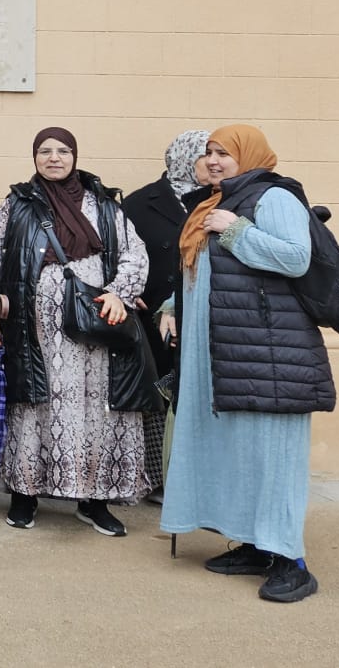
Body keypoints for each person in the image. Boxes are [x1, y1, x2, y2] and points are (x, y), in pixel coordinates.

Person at [160, 125, 329, 604]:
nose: (214, 160)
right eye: (210, 152)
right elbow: (205, 272)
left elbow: (296, 258)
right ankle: (257, 546)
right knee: (242, 453)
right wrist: (174, 306)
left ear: (249, 156)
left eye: (225, 153)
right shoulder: (214, 203)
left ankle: (292, 563)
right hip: (229, 351)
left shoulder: (274, 197)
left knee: (274, 458)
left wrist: (235, 230)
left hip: (269, 354)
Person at [0, 128, 151, 536]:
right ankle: (25, 495)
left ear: (75, 156)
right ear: (34, 157)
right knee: (34, 404)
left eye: (63, 151)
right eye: (45, 151)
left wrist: (119, 293)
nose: (54, 158)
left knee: (97, 409)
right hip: (34, 331)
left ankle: (95, 500)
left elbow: (134, 254)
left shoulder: (103, 205)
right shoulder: (17, 205)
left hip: (95, 330)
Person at [120, 129, 210, 499]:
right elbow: (118, 252)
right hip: (153, 321)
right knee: (162, 396)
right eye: (206, 155)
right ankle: (161, 478)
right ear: (185, 158)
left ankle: (200, 479)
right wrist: (130, 291)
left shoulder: (223, 200)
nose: (213, 162)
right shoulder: (141, 203)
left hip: (205, 315)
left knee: (200, 396)